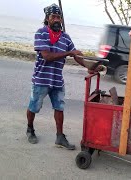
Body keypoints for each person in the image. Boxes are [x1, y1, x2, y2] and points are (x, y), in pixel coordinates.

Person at [26, 4, 98, 150]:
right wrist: (68, 54)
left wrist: (88, 66)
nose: (57, 19)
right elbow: (46, 56)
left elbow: (75, 54)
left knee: (59, 107)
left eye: (59, 17)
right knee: (34, 106)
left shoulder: (65, 37)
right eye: (53, 17)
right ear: (47, 19)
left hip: (57, 80)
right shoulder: (41, 33)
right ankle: (30, 129)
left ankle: (60, 136)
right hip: (41, 79)